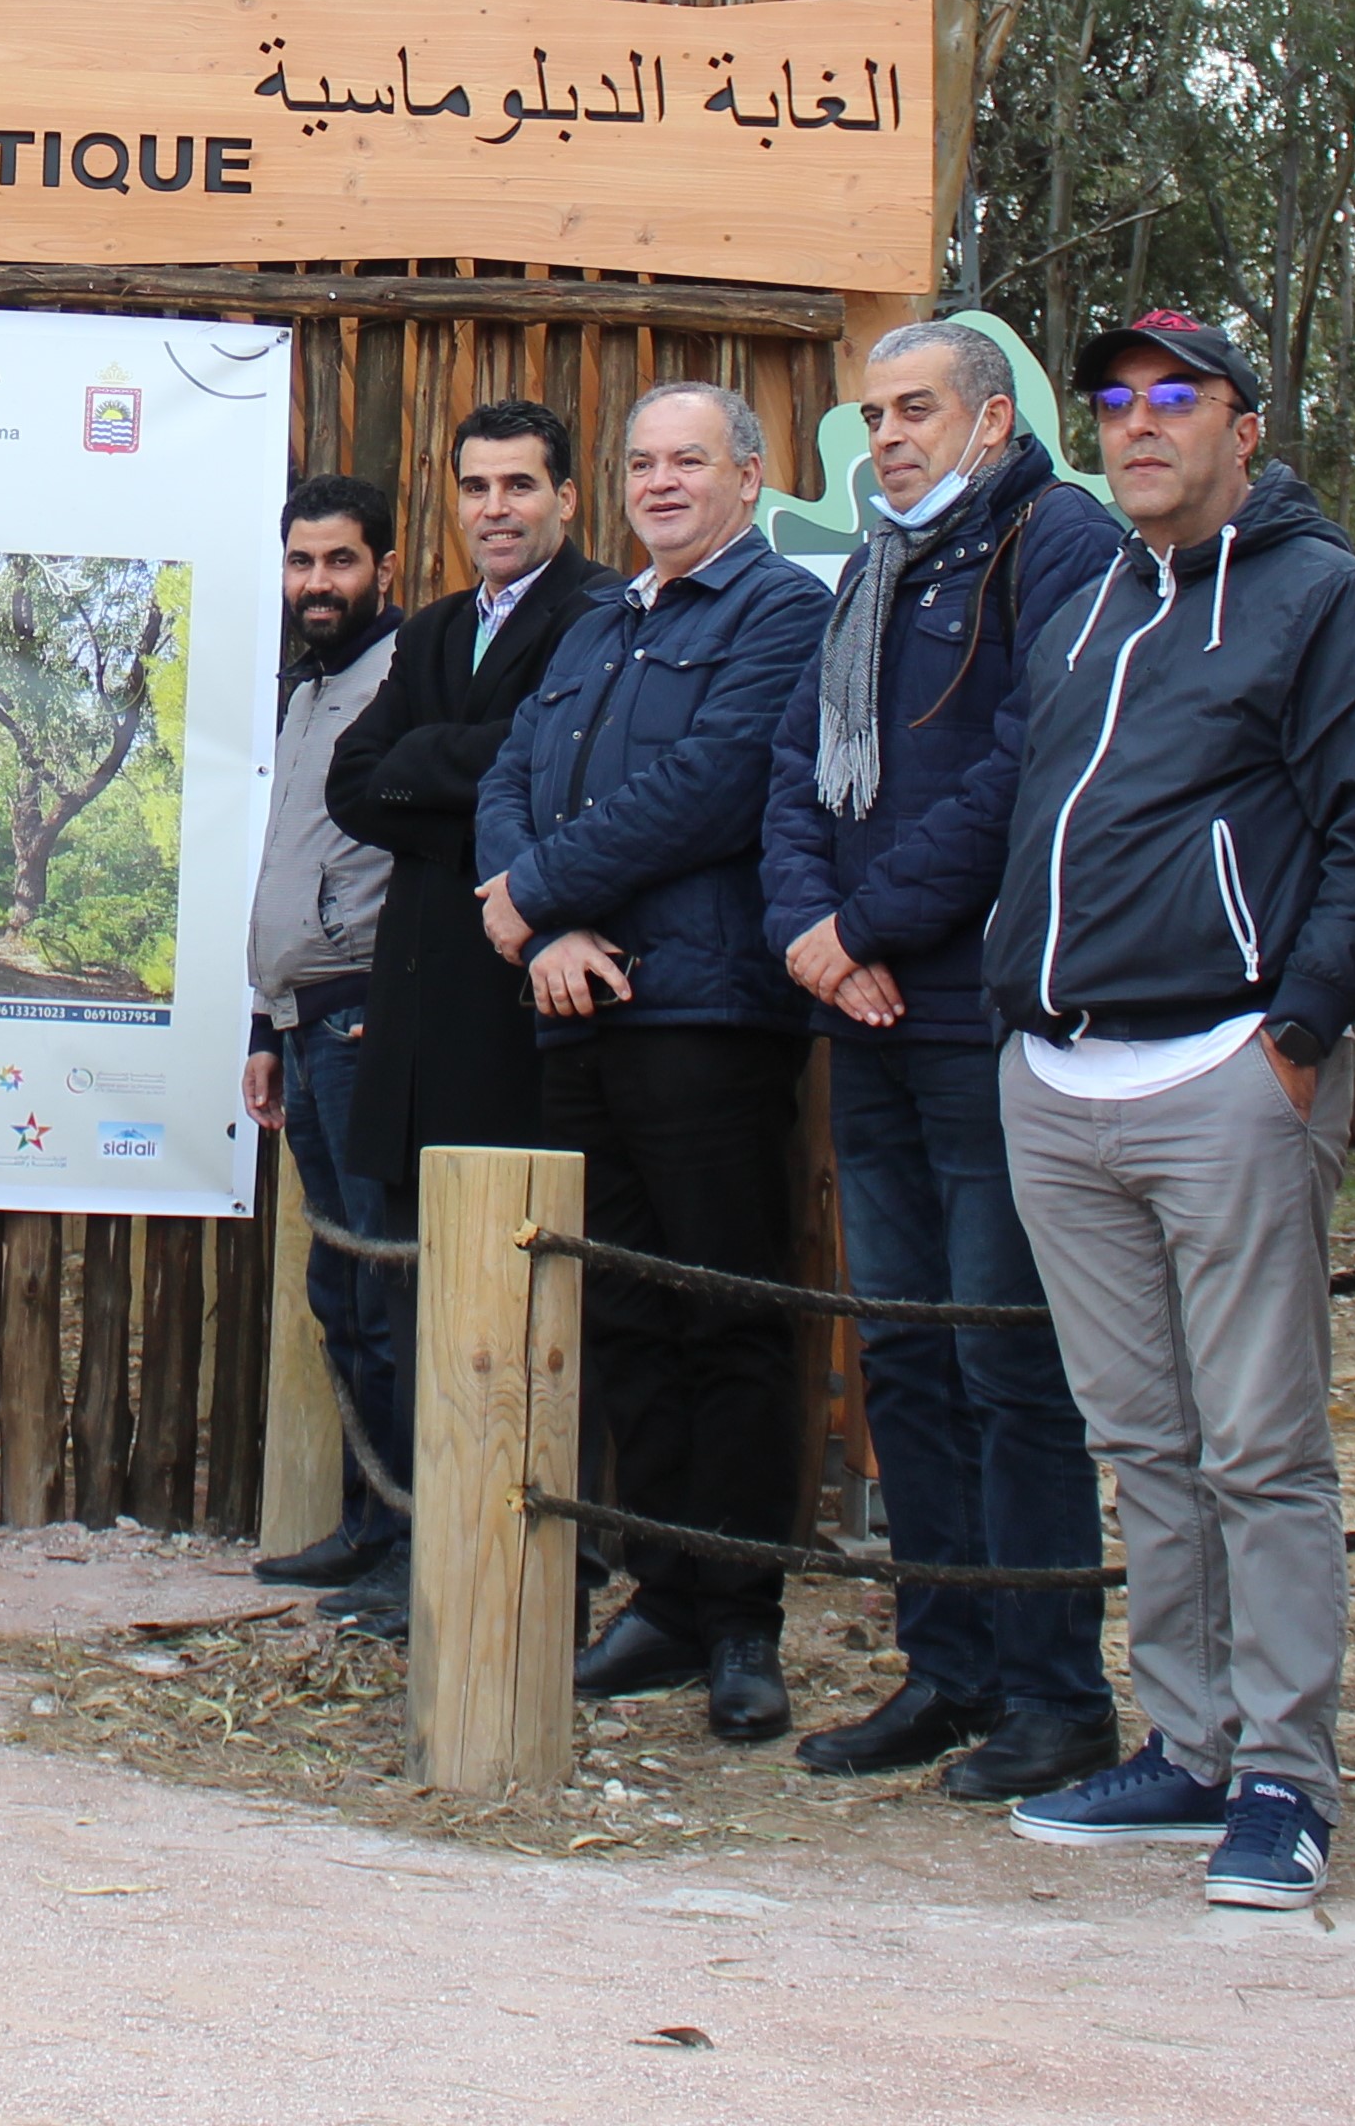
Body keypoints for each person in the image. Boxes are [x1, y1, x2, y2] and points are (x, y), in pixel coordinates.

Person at [981, 308, 1355, 1915]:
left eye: (1177, 397)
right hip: (1060, 1079)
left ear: (1245, 426)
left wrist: (1295, 1032)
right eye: (1115, 399)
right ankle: (1186, 1744)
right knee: (1140, 1440)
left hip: (1226, 1075)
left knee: (1259, 1445)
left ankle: (1286, 1782)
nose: (1138, 422)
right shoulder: (1091, 600)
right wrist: (1008, 1015)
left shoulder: (1330, 603)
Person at [757, 318, 1127, 1803]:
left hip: (978, 1014)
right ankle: (947, 1671)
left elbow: (1028, 764)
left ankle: (1054, 1698)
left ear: (990, 419)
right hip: (860, 1011)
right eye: (872, 414)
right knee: (903, 1354)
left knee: (1002, 1357)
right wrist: (809, 933)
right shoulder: (870, 564)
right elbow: (796, 764)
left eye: (916, 410)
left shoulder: (1062, 540)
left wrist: (864, 923)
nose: (888, 436)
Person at [473, 382, 833, 1746]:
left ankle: (743, 1618)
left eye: (689, 461)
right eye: (640, 463)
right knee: (620, 1311)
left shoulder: (780, 612)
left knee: (724, 1314)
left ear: (749, 476)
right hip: (575, 1007)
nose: (660, 483)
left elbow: (711, 784)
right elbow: (513, 773)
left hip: (704, 1013)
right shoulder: (599, 622)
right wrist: (541, 920)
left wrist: (533, 892)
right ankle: (663, 1597)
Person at [325, 398, 611, 1360]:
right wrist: (493, 765)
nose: (495, 508)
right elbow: (355, 783)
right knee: (406, 1314)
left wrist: (427, 766)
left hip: (516, 1013)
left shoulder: (601, 615)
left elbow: (574, 779)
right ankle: (410, 1520)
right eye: (476, 487)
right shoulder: (438, 629)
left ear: (565, 499)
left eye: (519, 485)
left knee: (509, 1330)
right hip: (411, 1017)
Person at [244, 474, 407, 1609]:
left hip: (365, 1010)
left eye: (339, 560)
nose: (317, 582)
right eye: (302, 562)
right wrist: (264, 1021)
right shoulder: (304, 684)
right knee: (341, 1288)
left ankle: (412, 1544)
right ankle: (365, 1523)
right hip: (301, 1020)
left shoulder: (407, 673)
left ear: (382, 568)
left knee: (392, 1286)